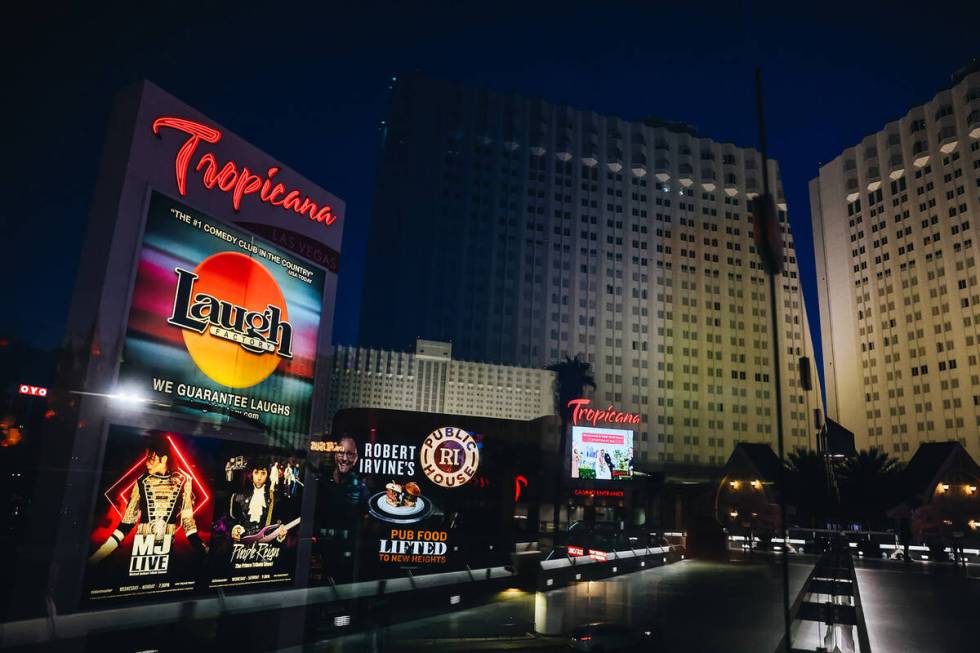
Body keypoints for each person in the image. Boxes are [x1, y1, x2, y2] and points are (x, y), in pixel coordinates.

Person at [89, 431, 207, 563]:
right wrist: (98, 556)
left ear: (164, 459)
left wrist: (203, 551)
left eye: (151, 457)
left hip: (166, 553)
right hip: (141, 551)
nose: (147, 463)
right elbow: (127, 523)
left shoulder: (184, 481)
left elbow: (188, 523)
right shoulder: (142, 482)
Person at [229, 459, 287, 543]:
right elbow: (233, 518)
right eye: (256, 473)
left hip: (264, 543)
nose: (259, 477)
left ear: (267, 475)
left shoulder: (274, 498)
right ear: (251, 474)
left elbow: (278, 522)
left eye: (263, 473)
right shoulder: (240, 496)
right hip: (243, 541)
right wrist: (235, 529)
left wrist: (281, 534)